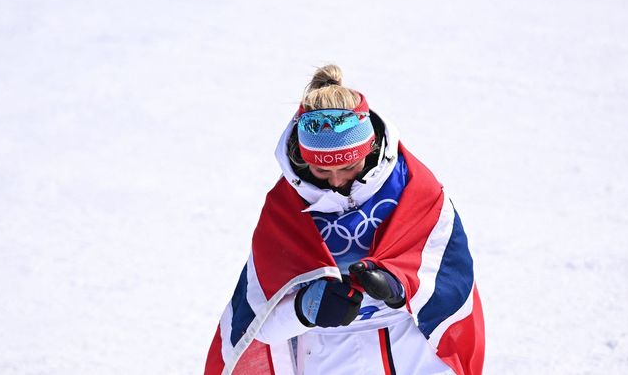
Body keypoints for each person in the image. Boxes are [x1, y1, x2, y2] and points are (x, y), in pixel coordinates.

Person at [204, 65, 485, 375]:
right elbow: (259, 325)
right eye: (322, 171)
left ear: (372, 145)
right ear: (301, 156)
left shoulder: (414, 188)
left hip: (413, 351)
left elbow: (454, 283)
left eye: (349, 166)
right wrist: (304, 310)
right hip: (329, 355)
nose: (337, 181)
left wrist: (398, 286)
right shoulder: (285, 210)